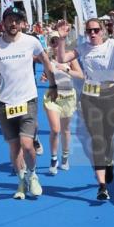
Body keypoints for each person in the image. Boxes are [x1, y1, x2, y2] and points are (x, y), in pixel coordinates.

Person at [56, 12, 114, 202]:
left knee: (108, 138)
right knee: (97, 140)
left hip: (110, 95)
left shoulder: (113, 45)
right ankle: (102, 186)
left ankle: (109, 161)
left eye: (95, 30)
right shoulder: (83, 48)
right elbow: (62, 59)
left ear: (102, 31)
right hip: (89, 97)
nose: (92, 33)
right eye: (89, 31)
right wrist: (61, 39)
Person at [0, 7, 57, 200]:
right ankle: (21, 180)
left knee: (27, 145)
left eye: (17, 20)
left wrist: (53, 85)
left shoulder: (31, 41)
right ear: (4, 23)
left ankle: (32, 175)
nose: (13, 23)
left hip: (28, 100)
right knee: (14, 148)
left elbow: (46, 61)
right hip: (5, 103)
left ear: (22, 23)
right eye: (9, 20)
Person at [42, 31, 83, 175]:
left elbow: (81, 75)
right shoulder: (47, 58)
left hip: (68, 96)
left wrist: (66, 69)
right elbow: (47, 73)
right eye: (53, 41)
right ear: (50, 43)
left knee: (65, 130)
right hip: (53, 96)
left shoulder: (69, 57)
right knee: (55, 129)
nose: (56, 44)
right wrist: (46, 76)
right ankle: (53, 159)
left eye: (58, 41)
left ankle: (65, 157)